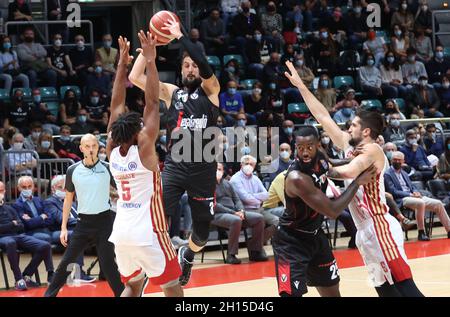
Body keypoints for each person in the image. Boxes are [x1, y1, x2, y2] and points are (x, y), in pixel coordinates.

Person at [284, 60, 424, 297]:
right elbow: (323, 116)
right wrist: (301, 86)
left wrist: (320, 166)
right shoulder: (350, 148)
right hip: (364, 230)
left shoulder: (372, 151)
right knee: (385, 289)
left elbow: (349, 171)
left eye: (354, 125)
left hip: (379, 225)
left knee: (404, 286)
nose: (349, 128)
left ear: (366, 132)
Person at [129, 17, 221, 287]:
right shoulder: (172, 93)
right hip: (176, 166)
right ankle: (145, 269)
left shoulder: (211, 91)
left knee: (202, 232)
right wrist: (148, 54)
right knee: (154, 216)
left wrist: (181, 37)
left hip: (203, 169)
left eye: (194, 65)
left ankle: (188, 255)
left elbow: (204, 64)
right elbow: (135, 78)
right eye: (186, 65)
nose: (191, 69)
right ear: (180, 69)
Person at [107, 34, 182, 297]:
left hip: (121, 233)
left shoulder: (112, 149)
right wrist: (150, 61)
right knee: (172, 284)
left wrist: (122, 65)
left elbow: (116, 104)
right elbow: (152, 102)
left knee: (132, 284)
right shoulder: (145, 147)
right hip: (150, 231)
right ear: (137, 131)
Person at [272, 126, 376, 297]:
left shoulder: (320, 156)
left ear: (318, 145)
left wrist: (357, 160)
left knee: (332, 291)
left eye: (309, 147)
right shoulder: (297, 178)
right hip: (291, 241)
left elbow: (332, 166)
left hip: (315, 236)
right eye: (300, 148)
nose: (305, 152)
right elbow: (333, 211)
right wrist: (357, 182)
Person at [43, 132, 124, 297]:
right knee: (66, 262)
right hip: (83, 223)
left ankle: (123, 295)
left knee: (109, 265)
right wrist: (64, 227)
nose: (92, 149)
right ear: (81, 148)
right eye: (87, 146)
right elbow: (68, 199)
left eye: (94, 146)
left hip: (104, 222)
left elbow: (123, 191)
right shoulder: (73, 170)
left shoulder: (107, 168)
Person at [0, 181, 54, 290]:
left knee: (45, 245)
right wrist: (12, 223)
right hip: (3, 238)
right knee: (11, 242)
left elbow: (21, 226)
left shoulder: (9, 208)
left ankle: (28, 275)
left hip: (18, 235)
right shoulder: (15, 205)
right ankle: (18, 279)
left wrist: (12, 224)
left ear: (5, 191)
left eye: (1, 190)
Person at [385, 151, 450, 241]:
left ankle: (449, 230)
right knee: (420, 203)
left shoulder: (404, 173)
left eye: (399, 160)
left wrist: (416, 192)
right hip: (402, 199)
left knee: (438, 203)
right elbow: (393, 191)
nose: (397, 162)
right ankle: (421, 232)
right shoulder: (387, 174)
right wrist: (410, 194)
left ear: (403, 161)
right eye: (394, 160)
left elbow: (412, 186)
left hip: (413, 196)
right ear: (391, 161)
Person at [43, 175, 95, 282]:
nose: (64, 190)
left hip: (76, 229)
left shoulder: (73, 201)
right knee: (77, 235)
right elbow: (60, 219)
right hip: (57, 231)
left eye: (65, 187)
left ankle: (105, 272)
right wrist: (82, 222)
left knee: (103, 233)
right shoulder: (50, 202)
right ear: (53, 189)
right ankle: (78, 273)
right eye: (60, 187)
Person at [213, 163, 267, 264]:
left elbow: (236, 199)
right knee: (236, 220)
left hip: (235, 212)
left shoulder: (227, 183)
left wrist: (241, 210)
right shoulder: (207, 185)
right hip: (218, 213)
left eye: (219, 169)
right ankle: (231, 254)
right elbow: (215, 205)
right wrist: (234, 212)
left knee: (259, 218)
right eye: (215, 169)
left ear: (223, 171)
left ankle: (255, 251)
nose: (218, 171)